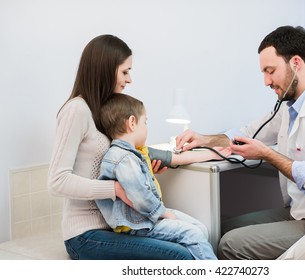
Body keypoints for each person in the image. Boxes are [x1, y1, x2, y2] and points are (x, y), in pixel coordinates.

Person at [175, 25, 305, 260]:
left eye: (270, 70)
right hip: (301, 212)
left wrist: (267, 154)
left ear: (295, 63)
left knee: (231, 245)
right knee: (221, 229)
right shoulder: (289, 107)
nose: (266, 81)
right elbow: (248, 132)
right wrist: (205, 138)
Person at [47, 34, 196, 260]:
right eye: (125, 71)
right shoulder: (76, 110)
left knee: (198, 235)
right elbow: (57, 182)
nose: (129, 79)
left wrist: (140, 170)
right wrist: (116, 189)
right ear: (105, 69)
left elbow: (107, 165)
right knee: (180, 256)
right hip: (85, 235)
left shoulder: (102, 110)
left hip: (116, 226)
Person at [96, 93, 231, 260]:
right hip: (139, 223)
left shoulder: (137, 153)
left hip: (147, 216)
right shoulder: (123, 158)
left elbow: (176, 158)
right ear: (132, 123)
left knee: (200, 228)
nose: (146, 128)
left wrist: (213, 154)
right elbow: (139, 196)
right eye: (144, 122)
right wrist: (163, 213)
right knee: (193, 234)